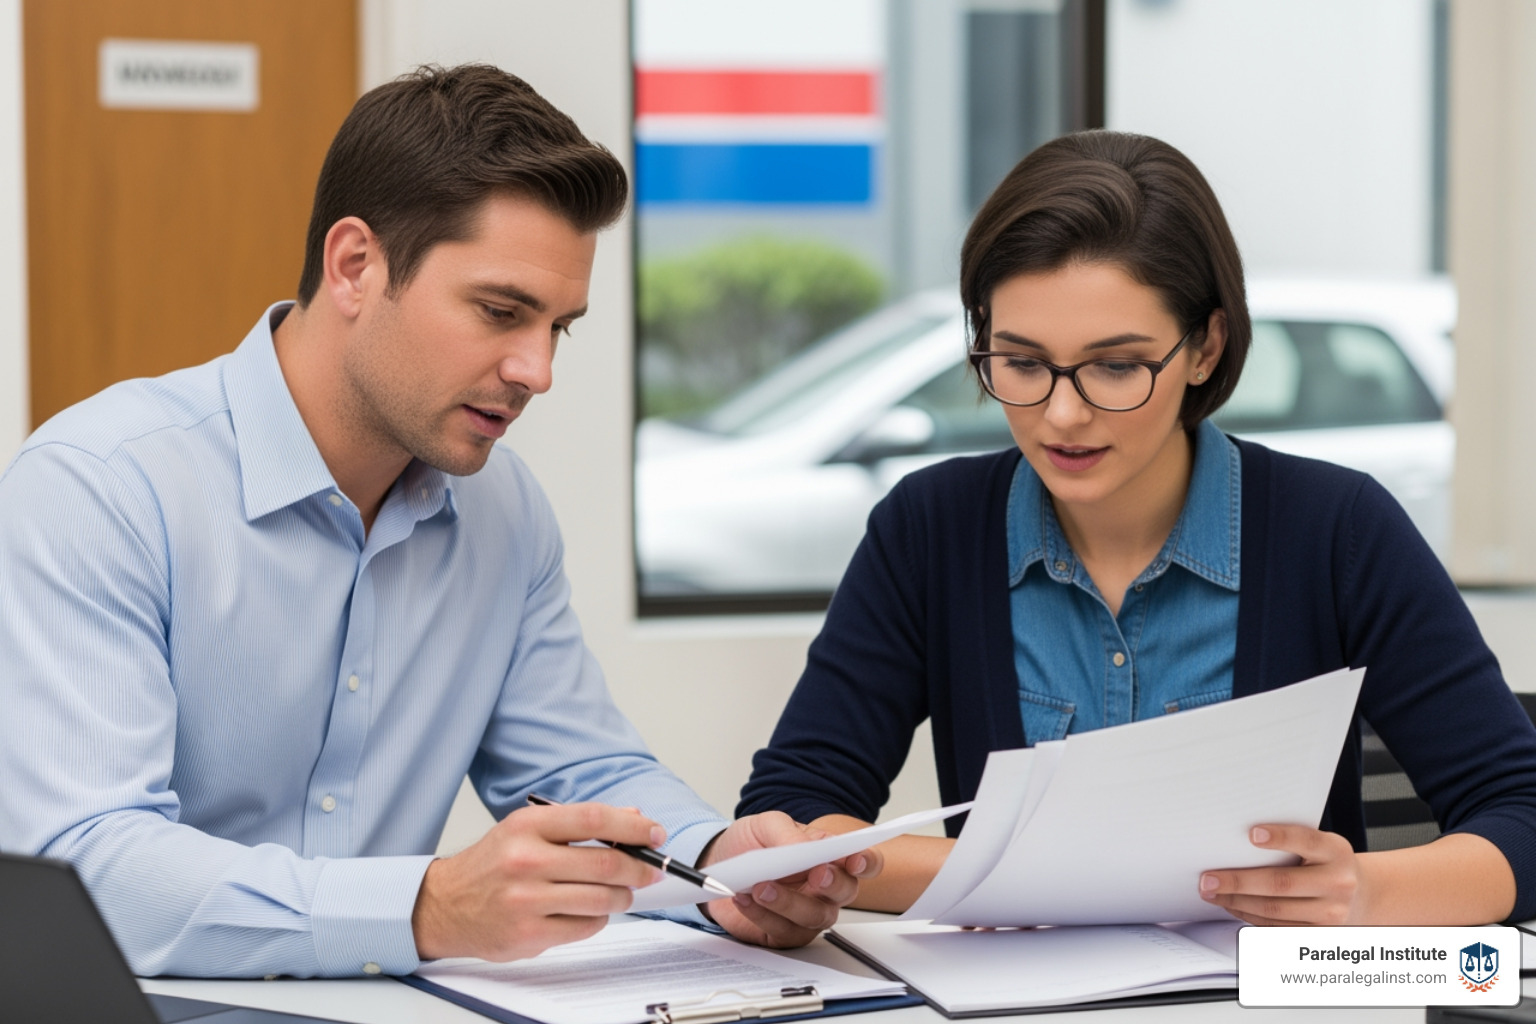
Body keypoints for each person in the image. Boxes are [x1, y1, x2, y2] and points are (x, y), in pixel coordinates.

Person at [0, 64, 878, 980]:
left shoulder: (504, 512)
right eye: (500, 311)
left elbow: (582, 773)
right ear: (355, 267)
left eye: (558, 327)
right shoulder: (99, 490)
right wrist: (425, 907)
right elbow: (89, 862)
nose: (536, 371)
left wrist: (718, 866)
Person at [736, 129, 1536, 926]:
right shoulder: (929, 528)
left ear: (1205, 346)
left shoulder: (1337, 530)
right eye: (1019, 362)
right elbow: (790, 818)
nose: (1061, 414)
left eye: (1116, 367)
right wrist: (817, 869)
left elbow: (1522, 815)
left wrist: (1366, 892)